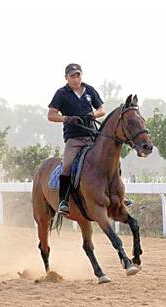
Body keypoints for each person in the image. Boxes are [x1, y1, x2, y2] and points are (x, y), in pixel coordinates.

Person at [47, 63, 106, 215]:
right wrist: (67, 119)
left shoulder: (89, 90)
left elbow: (102, 110)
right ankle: (63, 201)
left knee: (110, 160)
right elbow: (51, 115)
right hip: (74, 139)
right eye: (72, 76)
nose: (75, 79)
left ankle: (120, 195)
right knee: (67, 165)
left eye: (78, 75)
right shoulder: (61, 93)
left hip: (92, 136)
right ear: (66, 78)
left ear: (81, 75)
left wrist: (94, 114)